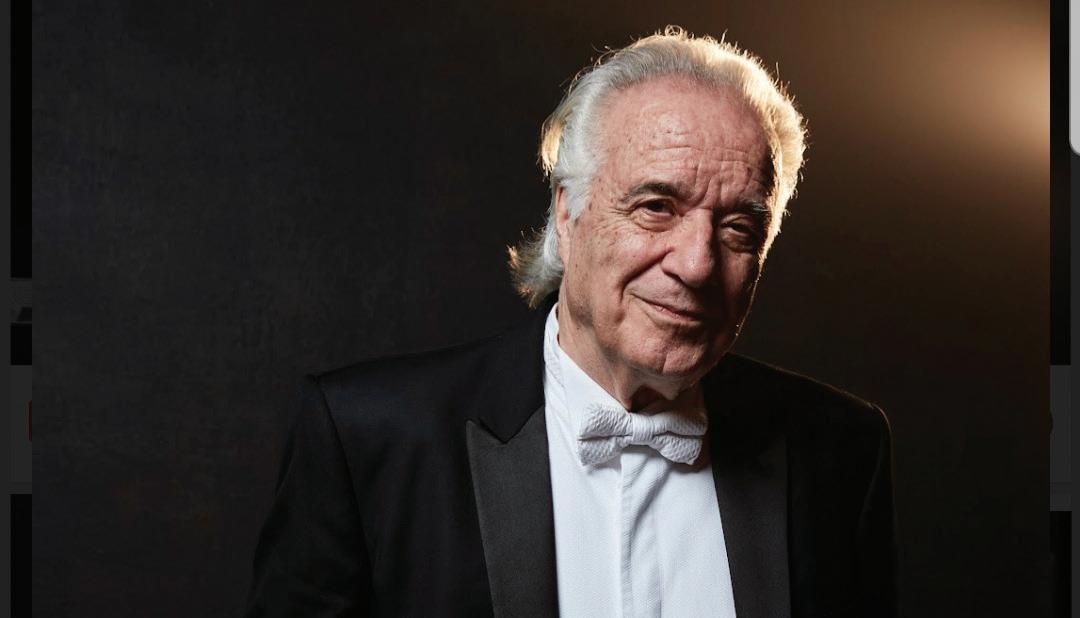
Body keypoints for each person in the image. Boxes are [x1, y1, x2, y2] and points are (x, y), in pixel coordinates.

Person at [245, 27, 897, 618]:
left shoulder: (840, 449)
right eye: (656, 207)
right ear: (567, 212)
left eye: (738, 228)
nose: (697, 265)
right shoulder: (368, 437)